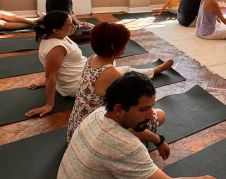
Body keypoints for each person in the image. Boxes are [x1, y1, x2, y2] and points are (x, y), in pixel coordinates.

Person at [59, 72, 215, 179]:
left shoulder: (99, 113)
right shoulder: (126, 147)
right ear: (119, 109)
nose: (151, 115)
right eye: (143, 109)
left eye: (151, 107)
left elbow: (131, 130)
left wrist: (158, 141)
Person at [25, 11, 172, 117]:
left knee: (121, 68)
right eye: (69, 25)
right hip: (75, 84)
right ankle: (155, 71)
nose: (73, 27)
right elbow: (52, 74)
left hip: (83, 72)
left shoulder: (57, 37)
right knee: (124, 75)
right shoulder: (56, 47)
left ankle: (154, 71)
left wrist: (47, 79)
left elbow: (56, 69)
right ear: (56, 30)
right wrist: (49, 103)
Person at [66, 22, 174, 151]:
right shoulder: (112, 75)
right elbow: (126, 119)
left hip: (75, 131)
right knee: (160, 115)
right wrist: (158, 140)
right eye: (125, 42)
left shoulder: (91, 59)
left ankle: (155, 70)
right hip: (91, 139)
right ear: (113, 46)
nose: (126, 45)